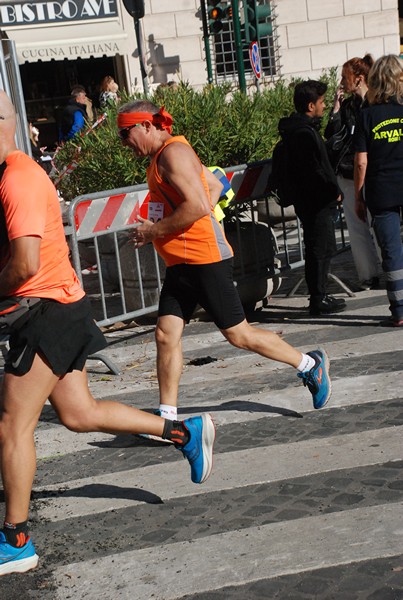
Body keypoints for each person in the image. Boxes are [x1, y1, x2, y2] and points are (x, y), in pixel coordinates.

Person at [0, 90, 215, 577]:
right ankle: (184, 431)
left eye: (125, 133)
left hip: (45, 312)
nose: (124, 141)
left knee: (13, 426)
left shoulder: (18, 179)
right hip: (54, 308)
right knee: (79, 414)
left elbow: (26, 264)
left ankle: (15, 540)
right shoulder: (11, 175)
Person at [116, 99, 333, 439]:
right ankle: (167, 420)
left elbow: (200, 204)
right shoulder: (168, 154)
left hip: (204, 260)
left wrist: (156, 231)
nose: (123, 142)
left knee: (239, 335)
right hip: (182, 262)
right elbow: (216, 188)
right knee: (165, 335)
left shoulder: (173, 154)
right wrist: (179, 231)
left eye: (124, 133)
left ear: (146, 125)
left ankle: (309, 365)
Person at [277, 80, 346, 316]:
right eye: (321, 102)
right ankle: (318, 297)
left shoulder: (303, 130)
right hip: (315, 201)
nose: (324, 105)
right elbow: (313, 169)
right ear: (310, 105)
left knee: (322, 247)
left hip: (314, 200)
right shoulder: (303, 134)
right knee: (319, 249)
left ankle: (321, 294)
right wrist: (332, 191)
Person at [354, 54, 403, 327]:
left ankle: (399, 311)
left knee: (392, 251)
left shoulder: (367, 116)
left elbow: (361, 161)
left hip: (381, 190)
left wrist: (358, 196)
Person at [325, 55, 382, 291]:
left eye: (345, 77)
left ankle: (390, 269)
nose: (341, 81)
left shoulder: (376, 105)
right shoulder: (347, 107)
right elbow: (332, 135)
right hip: (348, 174)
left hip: (372, 173)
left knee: (379, 225)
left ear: (358, 79)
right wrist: (336, 109)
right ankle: (369, 275)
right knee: (357, 228)